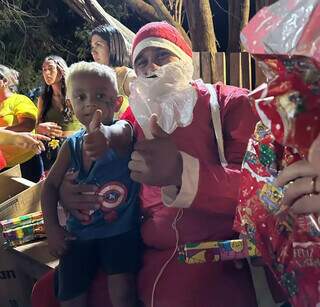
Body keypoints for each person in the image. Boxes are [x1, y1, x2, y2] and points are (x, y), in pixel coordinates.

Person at [32, 22, 258, 307]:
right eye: (141, 61)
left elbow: (259, 191)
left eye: (162, 55)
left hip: (214, 253)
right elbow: (108, 149)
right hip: (140, 251)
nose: (151, 66)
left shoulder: (229, 104)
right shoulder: (135, 116)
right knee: (46, 294)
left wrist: (182, 172)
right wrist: (68, 191)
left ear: (185, 59)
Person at [41, 61, 140, 307]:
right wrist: (52, 229)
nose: (90, 103)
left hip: (121, 232)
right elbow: (50, 186)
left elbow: (122, 134)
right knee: (70, 295)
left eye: (100, 96)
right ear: (70, 104)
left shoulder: (121, 130)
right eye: (81, 96)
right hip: (79, 235)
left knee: (123, 293)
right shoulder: (71, 145)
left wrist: (105, 135)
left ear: (116, 103)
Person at [37, 55, 82, 171]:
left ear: (61, 70)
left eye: (51, 68)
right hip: (52, 151)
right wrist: (40, 128)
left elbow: (87, 122)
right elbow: (37, 126)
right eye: (44, 69)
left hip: (76, 147)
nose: (47, 73)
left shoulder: (75, 94)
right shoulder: (43, 99)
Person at [0, 64, 42, 181]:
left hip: (26, 162)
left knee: (29, 198)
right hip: (5, 165)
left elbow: (28, 125)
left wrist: (3, 132)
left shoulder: (19, 100)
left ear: (4, 81)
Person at [90, 24, 136, 119]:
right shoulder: (95, 80)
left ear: (113, 46)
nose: (93, 52)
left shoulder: (129, 78)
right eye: (92, 47)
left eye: (98, 45)